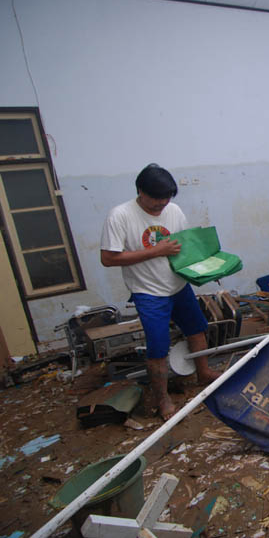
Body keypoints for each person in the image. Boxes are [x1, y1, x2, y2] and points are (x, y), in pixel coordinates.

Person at [100, 163, 220, 420]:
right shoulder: (120, 215)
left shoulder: (173, 210)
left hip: (178, 285)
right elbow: (108, 258)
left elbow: (183, 247)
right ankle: (162, 398)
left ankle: (204, 372)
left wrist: (206, 268)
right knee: (158, 347)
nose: (161, 205)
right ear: (140, 191)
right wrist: (155, 251)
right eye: (156, 199)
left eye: (166, 199)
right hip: (148, 291)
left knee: (197, 329)